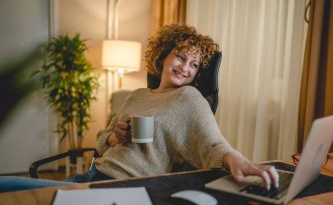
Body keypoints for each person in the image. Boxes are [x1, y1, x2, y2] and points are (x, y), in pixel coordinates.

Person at [0, 24, 278, 192]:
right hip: (91, 175)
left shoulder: (189, 99)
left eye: (194, 65)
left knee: (8, 191)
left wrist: (237, 160)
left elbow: (213, 144)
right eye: (180, 57)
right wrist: (115, 136)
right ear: (163, 56)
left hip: (122, 186)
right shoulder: (135, 95)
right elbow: (100, 145)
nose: (185, 68)